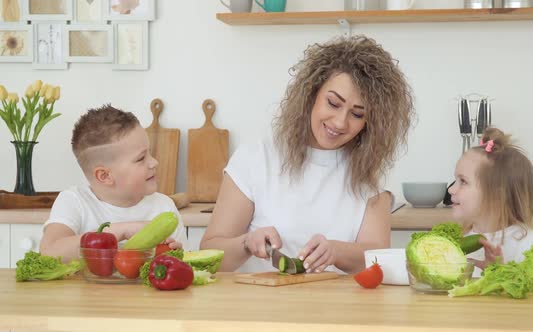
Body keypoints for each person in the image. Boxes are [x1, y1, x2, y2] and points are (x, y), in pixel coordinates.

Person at [200, 35, 415, 274]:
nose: (340, 122)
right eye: (333, 103)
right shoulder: (257, 156)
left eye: (357, 114)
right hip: (260, 307)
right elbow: (210, 253)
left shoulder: (370, 173)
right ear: (311, 94)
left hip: (339, 309)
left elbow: (378, 259)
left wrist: (336, 251)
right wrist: (246, 243)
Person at [40, 105, 186, 262]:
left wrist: (173, 254)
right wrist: (122, 231)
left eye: (149, 153)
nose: (154, 162)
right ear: (104, 176)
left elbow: (181, 266)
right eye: (140, 158)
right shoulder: (74, 201)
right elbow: (49, 252)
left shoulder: (164, 207)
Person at [448, 127, 533, 276]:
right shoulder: (461, 237)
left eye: (463, 182)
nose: (451, 190)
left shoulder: (528, 243)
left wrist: (498, 273)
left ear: (496, 195)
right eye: (455, 180)